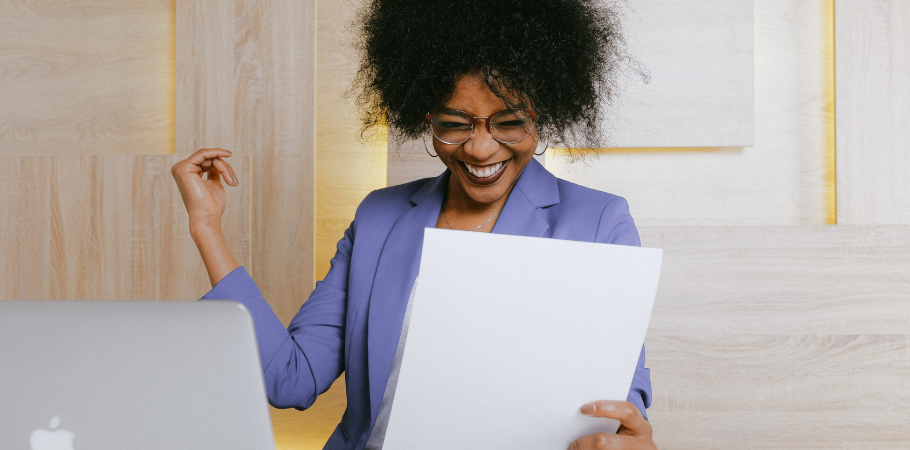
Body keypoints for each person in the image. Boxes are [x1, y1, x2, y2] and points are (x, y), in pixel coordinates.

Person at [172, 0, 656, 448]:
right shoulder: (379, 218)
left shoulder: (598, 223)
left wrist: (625, 434)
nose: (480, 148)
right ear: (425, 117)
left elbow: (618, 397)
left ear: (544, 111)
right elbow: (289, 378)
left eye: (509, 122)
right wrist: (207, 227)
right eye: (454, 123)